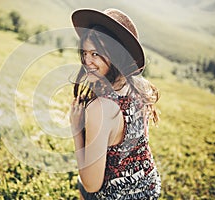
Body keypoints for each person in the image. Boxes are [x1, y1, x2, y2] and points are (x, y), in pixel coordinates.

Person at [69, 8, 161, 199]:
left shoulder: (101, 109)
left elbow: (92, 185)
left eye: (95, 54)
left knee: (82, 184)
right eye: (85, 52)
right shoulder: (140, 87)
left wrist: (77, 130)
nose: (87, 61)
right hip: (149, 189)